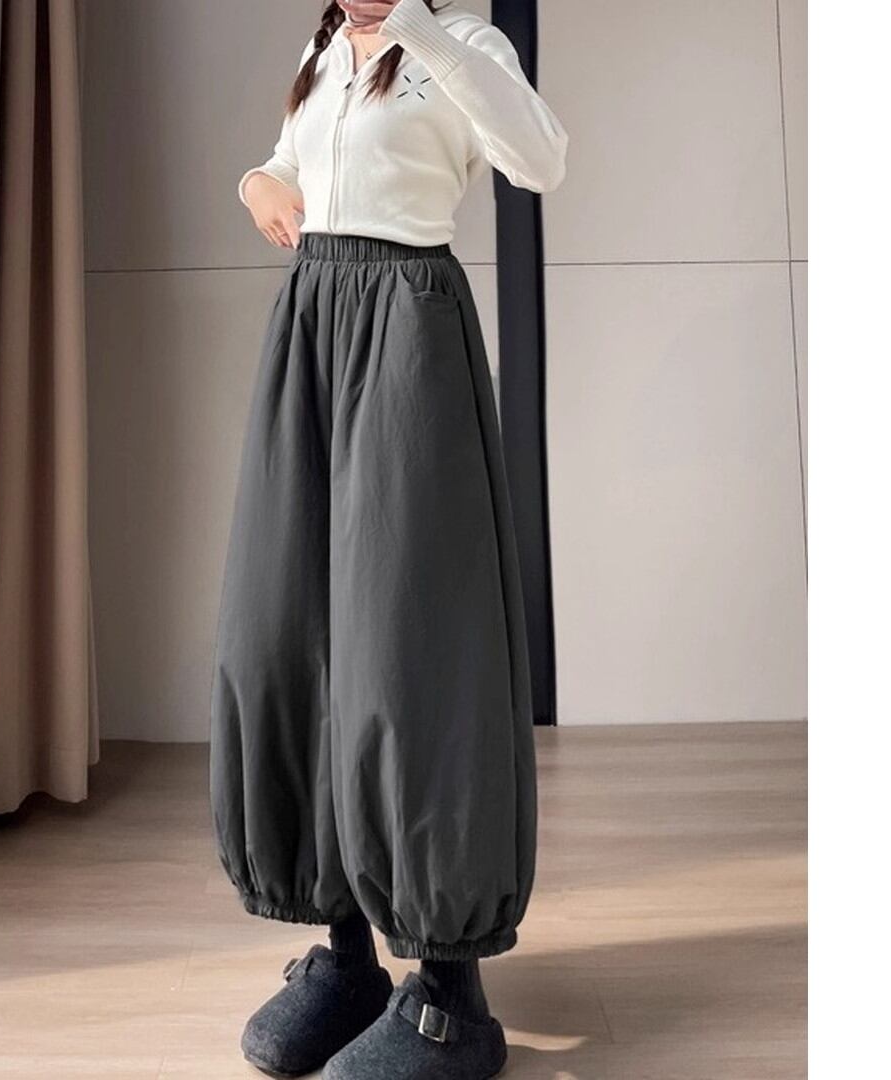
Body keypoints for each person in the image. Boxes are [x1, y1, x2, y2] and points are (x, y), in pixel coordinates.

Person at [209, 1, 568, 1076]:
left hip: (409, 329)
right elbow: (291, 164)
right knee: (293, 629)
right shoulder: (323, 49)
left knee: (411, 652)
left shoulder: (466, 44)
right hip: (311, 325)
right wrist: (259, 182)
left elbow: (539, 160)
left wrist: (425, 30)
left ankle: (452, 994)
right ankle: (350, 954)